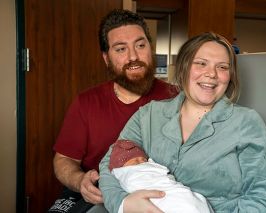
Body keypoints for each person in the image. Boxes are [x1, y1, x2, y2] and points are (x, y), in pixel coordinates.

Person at [99, 32, 266, 212]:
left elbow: (262, 201)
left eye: (223, 67)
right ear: (183, 68)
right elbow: (110, 164)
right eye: (201, 63)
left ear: (230, 76)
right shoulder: (149, 114)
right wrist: (123, 204)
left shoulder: (247, 123)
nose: (211, 74)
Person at [49, 9, 177, 212]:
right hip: (95, 193)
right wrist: (80, 180)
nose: (133, 56)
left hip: (160, 190)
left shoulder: (175, 98)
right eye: (120, 49)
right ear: (106, 58)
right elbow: (64, 159)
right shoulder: (87, 102)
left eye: (140, 45)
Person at [107, 139, 214, 213]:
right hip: (156, 199)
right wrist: (124, 204)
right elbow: (109, 170)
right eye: (135, 162)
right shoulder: (127, 174)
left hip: (177, 192)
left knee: (193, 202)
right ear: (122, 169)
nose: (141, 163)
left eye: (144, 160)